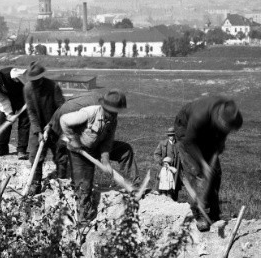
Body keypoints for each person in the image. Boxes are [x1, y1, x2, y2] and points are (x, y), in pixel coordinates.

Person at [55, 90, 138, 220]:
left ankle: (134, 186)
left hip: (97, 146)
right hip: (80, 151)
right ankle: (83, 218)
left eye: (116, 111)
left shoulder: (112, 119)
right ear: (104, 107)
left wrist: (105, 160)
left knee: (125, 150)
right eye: (111, 111)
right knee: (84, 185)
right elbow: (64, 120)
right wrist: (73, 140)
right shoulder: (89, 113)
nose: (113, 114)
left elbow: (108, 141)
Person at [174, 96, 243, 232]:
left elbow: (224, 132)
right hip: (186, 131)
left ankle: (214, 212)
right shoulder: (200, 116)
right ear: (218, 118)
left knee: (215, 173)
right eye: (224, 126)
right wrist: (203, 164)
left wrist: (219, 146)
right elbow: (189, 142)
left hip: (208, 133)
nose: (227, 129)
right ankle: (199, 214)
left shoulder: (233, 116)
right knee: (197, 173)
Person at [23, 61, 66, 194]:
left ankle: (62, 182)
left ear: (41, 78)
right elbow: (31, 112)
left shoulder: (53, 87)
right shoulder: (28, 88)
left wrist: (51, 124)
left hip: (56, 126)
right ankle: (35, 184)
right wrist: (38, 131)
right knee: (35, 155)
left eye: (36, 80)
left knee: (61, 155)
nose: (34, 83)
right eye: (32, 80)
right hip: (38, 127)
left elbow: (61, 108)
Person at [0, 66, 30, 159]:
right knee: (5, 121)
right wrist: (9, 114)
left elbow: (29, 77)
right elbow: (2, 100)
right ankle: (2, 149)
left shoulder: (13, 73)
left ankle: (21, 151)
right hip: (10, 99)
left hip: (25, 97)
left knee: (24, 123)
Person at [153, 126, 180, 199]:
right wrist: (162, 162)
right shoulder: (163, 144)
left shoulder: (179, 144)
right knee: (163, 185)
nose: (170, 137)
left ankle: (172, 201)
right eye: (169, 135)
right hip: (164, 169)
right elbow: (156, 154)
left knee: (173, 185)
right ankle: (162, 199)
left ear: (175, 135)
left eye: (172, 135)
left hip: (174, 169)